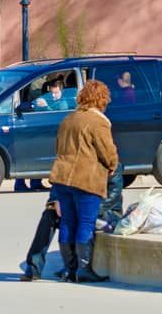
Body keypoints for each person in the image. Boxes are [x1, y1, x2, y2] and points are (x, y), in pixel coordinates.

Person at [47, 78, 118, 284]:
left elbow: (58, 148)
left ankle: (69, 269)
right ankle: (84, 269)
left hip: (62, 177)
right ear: (102, 99)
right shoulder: (99, 122)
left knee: (68, 221)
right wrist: (112, 165)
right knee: (86, 222)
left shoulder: (67, 119)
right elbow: (107, 151)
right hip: (85, 179)